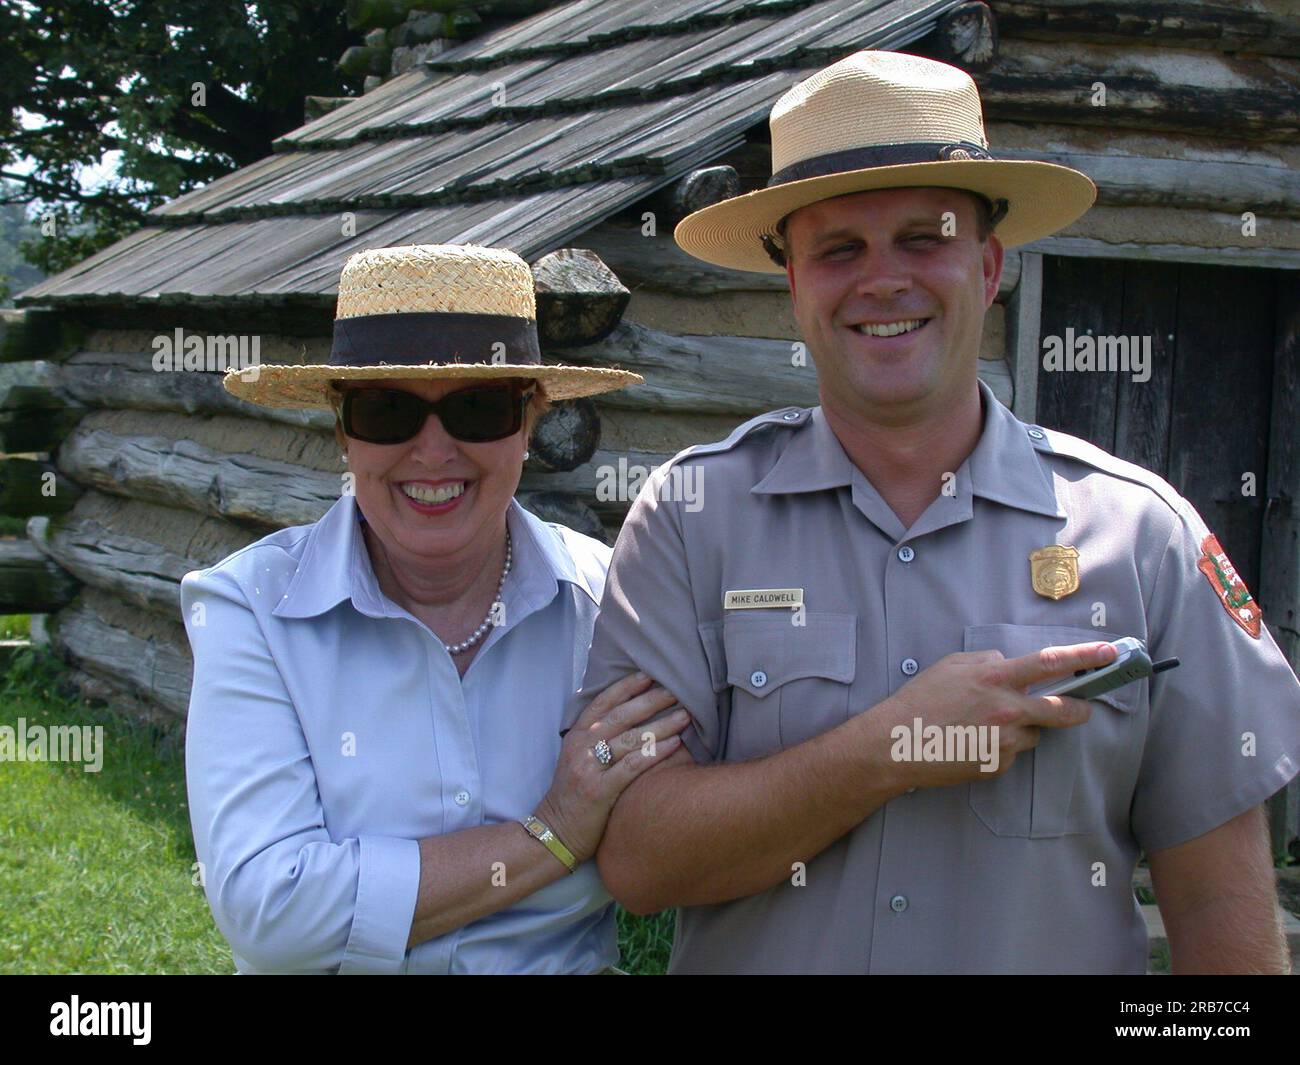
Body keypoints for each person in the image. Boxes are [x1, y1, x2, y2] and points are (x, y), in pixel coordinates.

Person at [579, 50, 1300, 974]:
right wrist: (894, 745)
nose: (884, 279)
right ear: (795, 285)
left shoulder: (1143, 538)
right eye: (839, 249)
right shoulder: (690, 519)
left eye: (926, 237)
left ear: (989, 265)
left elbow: (1219, 913)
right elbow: (639, 856)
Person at [182, 243, 686, 974]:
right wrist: (553, 831)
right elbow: (273, 913)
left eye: (477, 408)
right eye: (388, 411)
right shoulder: (249, 607)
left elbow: (666, 841)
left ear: (532, 418)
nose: (432, 450)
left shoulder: (612, 600)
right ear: (342, 427)